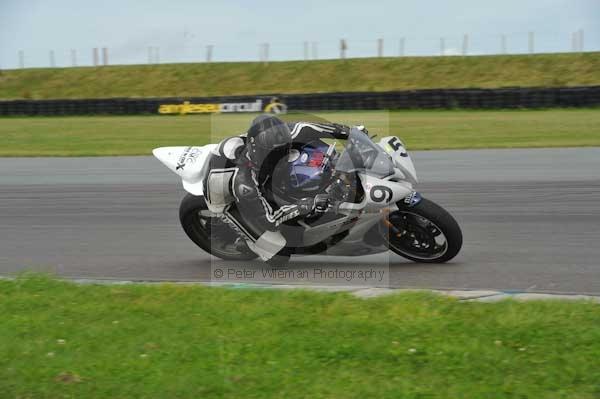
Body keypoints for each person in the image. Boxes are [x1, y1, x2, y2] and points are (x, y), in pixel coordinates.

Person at [203, 115, 353, 264]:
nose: (284, 155)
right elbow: (269, 219)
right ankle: (243, 240)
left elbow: (310, 128)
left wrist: (350, 132)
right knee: (278, 256)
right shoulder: (244, 182)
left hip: (254, 174)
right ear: (260, 152)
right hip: (223, 196)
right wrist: (304, 205)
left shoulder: (278, 135)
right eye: (276, 154)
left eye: (285, 149)